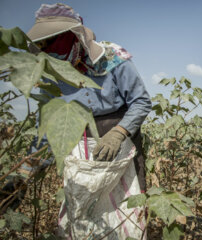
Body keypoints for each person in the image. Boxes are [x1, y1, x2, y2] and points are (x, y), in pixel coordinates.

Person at [26, 3, 151, 239]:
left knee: (126, 212)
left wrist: (119, 132)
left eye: (51, 42)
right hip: (78, 146)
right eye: (41, 45)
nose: (46, 50)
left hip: (120, 143)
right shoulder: (52, 72)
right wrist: (28, 167)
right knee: (82, 212)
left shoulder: (113, 59)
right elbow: (48, 123)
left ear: (73, 36)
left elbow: (141, 101)